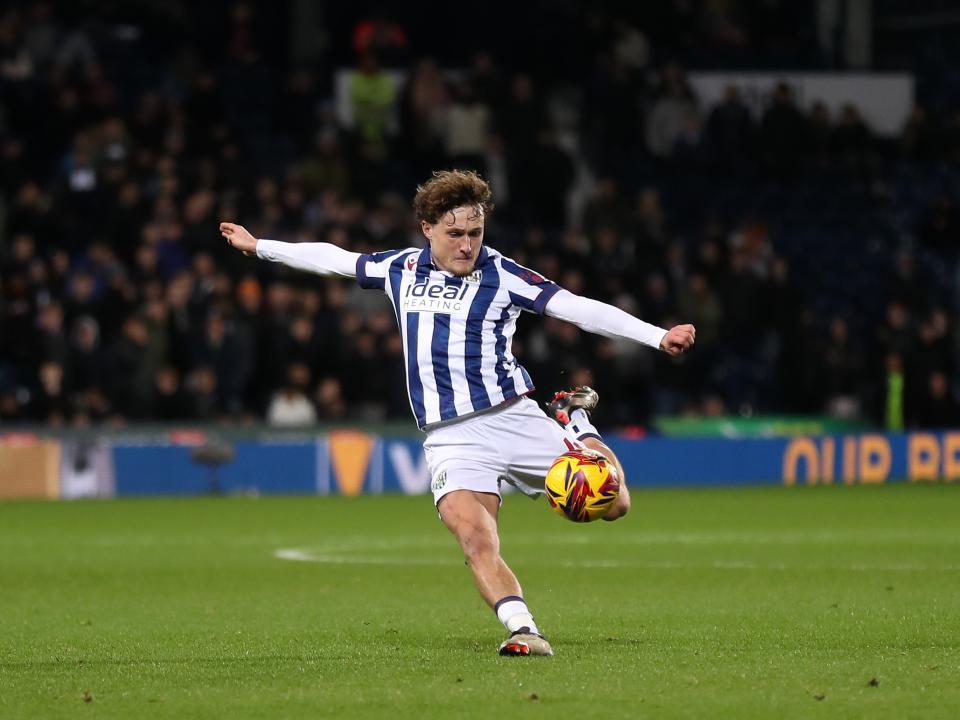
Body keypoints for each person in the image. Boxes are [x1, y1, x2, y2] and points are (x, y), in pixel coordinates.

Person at [220, 170, 696, 656]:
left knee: (614, 505)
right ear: (426, 227)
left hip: (513, 419)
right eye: (454, 234)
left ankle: (577, 420)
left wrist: (656, 336)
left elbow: (575, 308)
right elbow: (336, 260)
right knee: (474, 536)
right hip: (451, 438)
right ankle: (523, 630)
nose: (467, 245)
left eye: (475, 232)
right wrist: (261, 247)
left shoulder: (503, 274)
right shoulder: (400, 269)